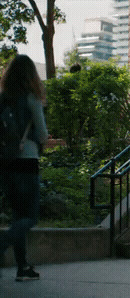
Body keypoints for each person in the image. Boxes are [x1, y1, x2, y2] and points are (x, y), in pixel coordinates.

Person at [0, 54, 49, 281]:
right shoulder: (32, 98)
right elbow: (41, 134)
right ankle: (3, 242)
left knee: (17, 215)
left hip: (5, 163)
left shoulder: (3, 98)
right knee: (30, 217)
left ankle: (23, 267)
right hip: (27, 161)